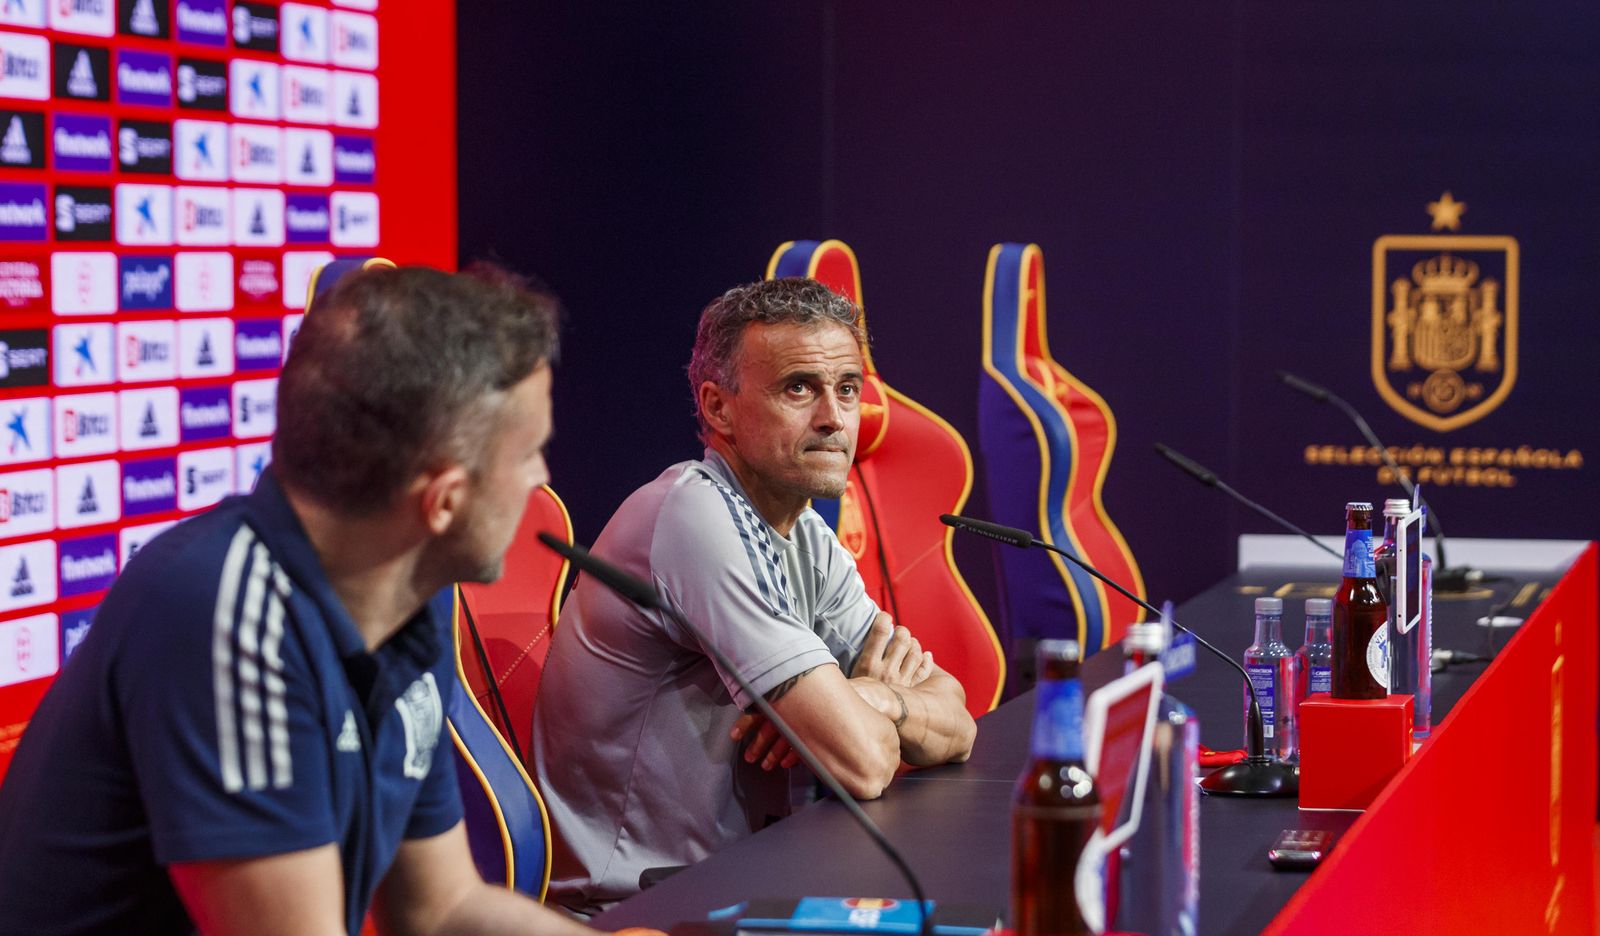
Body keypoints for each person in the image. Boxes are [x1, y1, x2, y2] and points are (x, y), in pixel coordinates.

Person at [0, 265, 596, 936]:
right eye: (529, 454)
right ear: (444, 500)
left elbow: (443, 908)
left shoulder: (409, 595)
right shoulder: (221, 614)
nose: (541, 477)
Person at [533, 277, 978, 916]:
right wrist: (868, 717)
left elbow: (958, 722)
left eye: (847, 389)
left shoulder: (804, 535)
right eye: (799, 387)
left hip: (750, 883)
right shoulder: (694, 515)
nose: (833, 418)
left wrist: (871, 696)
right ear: (718, 408)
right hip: (636, 912)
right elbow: (864, 762)